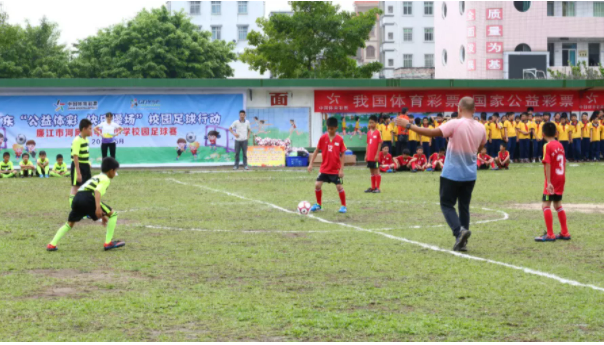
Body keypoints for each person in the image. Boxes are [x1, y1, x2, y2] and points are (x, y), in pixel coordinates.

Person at [397, 97, 486, 252]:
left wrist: (409, 125)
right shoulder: (481, 128)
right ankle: (462, 241)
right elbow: (480, 147)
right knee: (464, 206)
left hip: (452, 172)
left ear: (459, 108)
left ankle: (459, 232)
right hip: (470, 174)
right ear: (474, 110)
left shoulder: (455, 123)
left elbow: (431, 133)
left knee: (446, 204)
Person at [47, 157, 124, 252]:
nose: (115, 174)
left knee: (70, 223)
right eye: (115, 171)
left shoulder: (96, 176)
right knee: (113, 214)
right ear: (111, 170)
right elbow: (97, 191)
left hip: (77, 198)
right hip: (88, 198)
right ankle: (108, 243)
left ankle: (52, 244)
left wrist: (102, 214)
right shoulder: (105, 179)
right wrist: (98, 208)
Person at [535, 123, 571, 242]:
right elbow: (564, 161)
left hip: (552, 179)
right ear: (556, 133)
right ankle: (565, 232)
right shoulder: (560, 145)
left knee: (545, 205)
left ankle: (550, 234)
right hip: (561, 177)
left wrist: (549, 182)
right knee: (558, 205)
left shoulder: (547, 146)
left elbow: (548, 164)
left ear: (543, 134)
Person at [307, 117, 347, 214]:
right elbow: (316, 150)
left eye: (332, 129)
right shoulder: (323, 138)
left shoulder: (340, 139)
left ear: (336, 128)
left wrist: (341, 170)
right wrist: (310, 164)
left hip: (335, 170)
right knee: (317, 185)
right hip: (324, 168)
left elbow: (343, 154)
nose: (330, 130)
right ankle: (318, 205)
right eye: (328, 128)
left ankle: (343, 206)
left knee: (339, 187)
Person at [71, 119, 93, 207]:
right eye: (90, 129)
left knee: (87, 188)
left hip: (85, 166)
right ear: (84, 129)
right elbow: (75, 156)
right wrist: (78, 173)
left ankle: (85, 209)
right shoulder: (77, 140)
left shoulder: (86, 140)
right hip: (78, 166)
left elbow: (85, 154)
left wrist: (88, 163)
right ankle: (74, 210)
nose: (91, 131)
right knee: (75, 188)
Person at [365, 115, 383, 193]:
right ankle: (373, 187)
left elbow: (379, 143)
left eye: (372, 122)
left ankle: (377, 188)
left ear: (376, 123)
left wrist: (377, 154)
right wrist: (366, 154)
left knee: (376, 171)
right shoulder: (368, 133)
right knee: (371, 171)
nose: (371, 124)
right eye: (369, 122)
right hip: (369, 156)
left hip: (375, 156)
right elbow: (367, 144)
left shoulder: (378, 132)